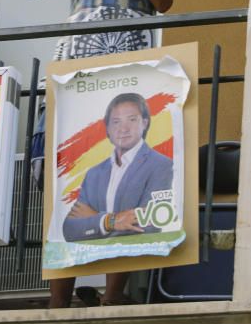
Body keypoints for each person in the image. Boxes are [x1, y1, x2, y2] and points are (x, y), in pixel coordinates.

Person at [25, 0, 181, 307]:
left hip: (125, 52)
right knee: (67, 170)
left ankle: (113, 297)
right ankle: (59, 301)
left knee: (124, 166)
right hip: (75, 58)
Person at [62, 93, 174, 242]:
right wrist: (110, 221)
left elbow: (148, 227)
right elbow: (70, 230)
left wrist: (94, 221)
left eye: (132, 120)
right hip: (95, 262)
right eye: (116, 121)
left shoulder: (161, 165)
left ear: (145, 123)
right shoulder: (94, 174)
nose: (123, 129)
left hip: (138, 261)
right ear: (107, 128)